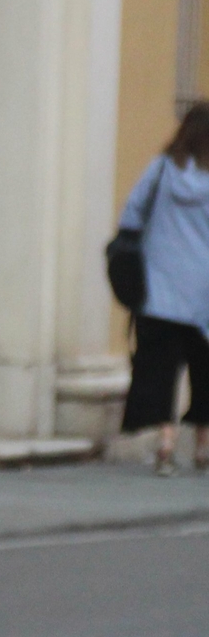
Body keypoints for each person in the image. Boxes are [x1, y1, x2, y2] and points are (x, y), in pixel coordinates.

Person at [118, 103, 209, 474]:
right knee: (205, 373)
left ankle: (166, 445)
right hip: (204, 296)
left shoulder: (160, 171)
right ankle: (203, 448)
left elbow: (131, 215)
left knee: (159, 370)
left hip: (158, 292)